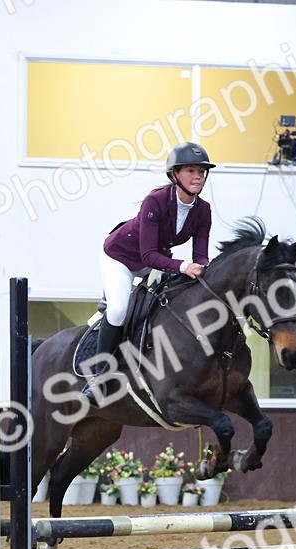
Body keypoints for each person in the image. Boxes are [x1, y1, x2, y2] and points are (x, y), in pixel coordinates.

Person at [82, 142, 215, 399]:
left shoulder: (204, 210)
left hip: (156, 261)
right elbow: (147, 255)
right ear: (174, 174)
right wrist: (183, 266)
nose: (198, 176)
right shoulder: (155, 201)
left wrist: (206, 275)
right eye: (191, 170)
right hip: (120, 259)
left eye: (202, 171)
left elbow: (201, 256)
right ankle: (99, 376)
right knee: (119, 309)